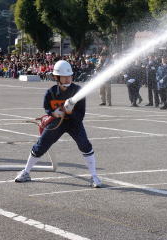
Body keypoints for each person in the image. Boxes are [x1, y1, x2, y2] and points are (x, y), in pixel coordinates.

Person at [15, 60, 102, 188]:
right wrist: (53, 113)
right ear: (57, 78)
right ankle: (26, 172)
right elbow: (46, 108)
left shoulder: (79, 91)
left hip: (74, 123)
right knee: (41, 145)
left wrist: (70, 112)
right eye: (64, 76)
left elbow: (80, 116)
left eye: (70, 76)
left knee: (85, 145)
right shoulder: (50, 92)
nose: (68, 79)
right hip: (57, 123)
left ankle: (94, 176)